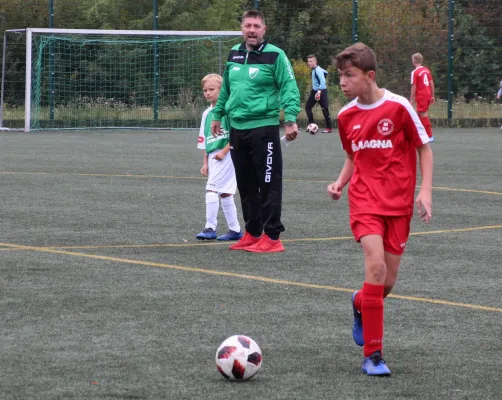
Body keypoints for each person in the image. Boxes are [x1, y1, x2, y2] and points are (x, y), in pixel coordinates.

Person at [328, 43, 433, 376]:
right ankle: (373, 355)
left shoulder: (399, 107)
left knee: (385, 284)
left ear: (369, 76)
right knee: (374, 267)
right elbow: (351, 157)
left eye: (349, 76)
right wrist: (340, 182)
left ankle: (360, 303)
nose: (342, 82)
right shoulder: (346, 116)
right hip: (364, 201)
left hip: (398, 204)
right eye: (340, 76)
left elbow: (424, 149)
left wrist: (425, 191)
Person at [211, 9, 301, 253]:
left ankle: (272, 237)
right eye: (248, 25)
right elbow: (227, 90)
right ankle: (252, 233)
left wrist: (290, 119)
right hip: (237, 130)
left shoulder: (276, 55)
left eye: (256, 26)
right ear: (242, 28)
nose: (252, 30)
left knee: (268, 183)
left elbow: (289, 88)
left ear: (264, 30)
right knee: (246, 184)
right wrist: (218, 114)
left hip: (264, 129)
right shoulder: (234, 54)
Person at [195, 73, 243, 242]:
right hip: (214, 156)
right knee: (225, 193)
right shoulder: (207, 113)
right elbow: (204, 139)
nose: (207, 93)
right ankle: (235, 230)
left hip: (227, 154)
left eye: (211, 89)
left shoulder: (228, 110)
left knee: (211, 189)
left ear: (221, 90)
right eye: (205, 90)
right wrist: (205, 163)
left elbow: (237, 134)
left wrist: (224, 151)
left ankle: (210, 227)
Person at [410, 53, 435, 141]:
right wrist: (432, 95)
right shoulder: (426, 70)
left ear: (413, 61)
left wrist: (411, 99)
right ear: (421, 60)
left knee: (423, 114)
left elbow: (414, 86)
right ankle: (419, 133)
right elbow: (431, 83)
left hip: (422, 96)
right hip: (427, 94)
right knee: (416, 114)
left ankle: (429, 135)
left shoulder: (415, 72)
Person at [305, 54, 333, 133]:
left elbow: (323, 81)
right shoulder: (314, 69)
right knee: (307, 107)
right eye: (308, 61)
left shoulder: (318, 70)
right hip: (314, 91)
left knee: (325, 109)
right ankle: (312, 125)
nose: (309, 63)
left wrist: (319, 91)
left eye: (311, 61)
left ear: (315, 61)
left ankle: (329, 128)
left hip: (321, 92)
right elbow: (326, 72)